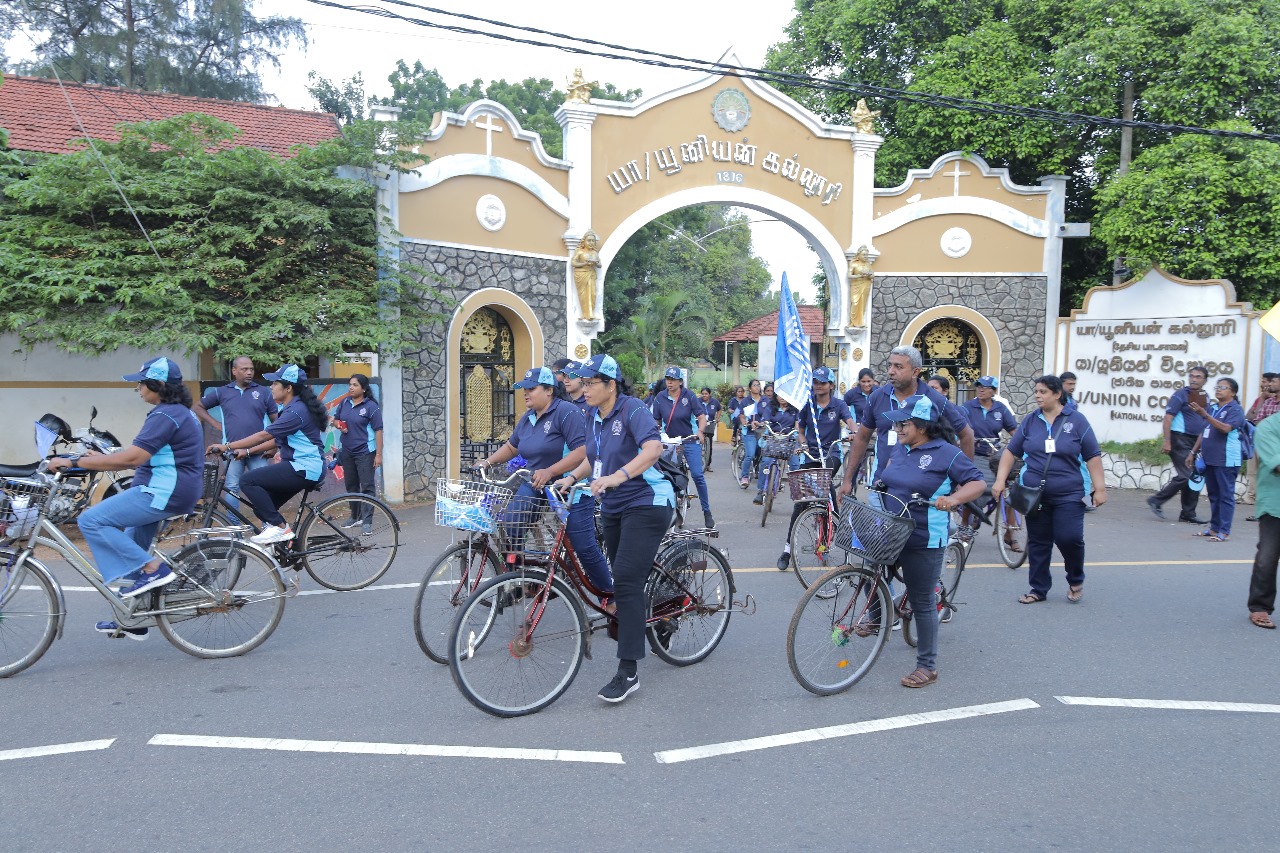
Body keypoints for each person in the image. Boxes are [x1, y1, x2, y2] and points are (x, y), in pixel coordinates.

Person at [48, 357, 203, 639]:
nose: (138, 389)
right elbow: (142, 455)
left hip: (164, 490)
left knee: (91, 520)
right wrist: (102, 457)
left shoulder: (165, 415)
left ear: (157, 385)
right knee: (131, 545)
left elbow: (133, 458)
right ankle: (133, 617)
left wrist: (74, 463)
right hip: (168, 487)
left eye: (142, 383)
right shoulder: (177, 412)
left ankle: (154, 569)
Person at [561, 354, 674, 703]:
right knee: (626, 576)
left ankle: (628, 670)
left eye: (591, 383)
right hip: (611, 505)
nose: (584, 388)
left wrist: (620, 475)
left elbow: (653, 448)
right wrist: (570, 477)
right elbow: (592, 459)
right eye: (583, 382)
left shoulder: (633, 409)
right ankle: (661, 618)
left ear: (611, 385)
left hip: (647, 501)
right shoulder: (591, 416)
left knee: (624, 579)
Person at [481, 366, 613, 604]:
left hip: (570, 485)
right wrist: (487, 462)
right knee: (512, 524)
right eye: (524, 389)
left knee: (583, 547)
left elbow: (583, 451)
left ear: (549, 390)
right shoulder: (529, 417)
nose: (525, 393)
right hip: (537, 482)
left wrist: (552, 471)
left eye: (531, 389)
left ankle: (611, 596)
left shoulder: (566, 412)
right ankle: (527, 578)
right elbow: (512, 447)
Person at [879, 398, 986, 686]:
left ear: (923, 426)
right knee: (869, 572)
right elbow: (890, 477)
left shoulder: (947, 453)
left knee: (922, 600)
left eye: (904, 423)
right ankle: (875, 618)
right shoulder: (901, 448)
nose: (898, 428)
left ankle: (927, 666)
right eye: (897, 423)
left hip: (924, 535)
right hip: (893, 528)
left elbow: (977, 482)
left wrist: (952, 499)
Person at [993, 374, 1107, 604]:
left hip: (1070, 493)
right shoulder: (1031, 421)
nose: (1037, 395)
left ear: (1057, 394)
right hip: (1035, 494)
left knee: (1070, 538)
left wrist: (1100, 488)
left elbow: (1092, 456)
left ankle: (1075, 579)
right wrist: (1000, 480)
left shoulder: (1077, 421)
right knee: (1038, 541)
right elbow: (1010, 452)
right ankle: (1038, 588)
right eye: (1036, 391)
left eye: (1043, 391)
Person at [207, 364, 327, 545]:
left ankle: (281, 529)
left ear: (288, 388)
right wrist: (246, 451)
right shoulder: (292, 408)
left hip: (305, 467)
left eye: (275, 383)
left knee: (248, 481)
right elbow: (275, 440)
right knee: (262, 508)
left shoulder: (296, 411)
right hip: (299, 466)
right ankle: (289, 546)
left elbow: (264, 435)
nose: (270, 387)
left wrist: (227, 446)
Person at [838, 345, 975, 503]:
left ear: (915, 372)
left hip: (923, 492)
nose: (891, 371)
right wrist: (847, 480)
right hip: (882, 487)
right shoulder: (877, 397)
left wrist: (962, 482)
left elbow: (966, 435)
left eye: (898, 366)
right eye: (889, 365)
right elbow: (862, 438)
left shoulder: (935, 399)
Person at [776, 367, 858, 570]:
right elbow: (800, 429)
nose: (818, 385)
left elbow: (849, 421)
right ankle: (787, 549)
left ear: (831, 384)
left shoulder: (838, 405)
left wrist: (854, 431)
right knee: (801, 503)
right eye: (815, 382)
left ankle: (837, 526)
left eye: (822, 382)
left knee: (825, 485)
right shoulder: (808, 404)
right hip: (811, 454)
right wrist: (802, 443)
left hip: (831, 454)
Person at [192, 356, 275, 512]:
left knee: (262, 487)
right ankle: (233, 528)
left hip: (258, 451)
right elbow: (198, 407)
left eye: (251, 369)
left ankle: (268, 525)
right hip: (231, 451)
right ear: (234, 371)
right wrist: (216, 424)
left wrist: (274, 447)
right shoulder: (222, 392)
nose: (249, 372)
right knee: (231, 487)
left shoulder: (264, 392)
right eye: (244, 369)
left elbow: (276, 421)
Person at [650, 366, 715, 529]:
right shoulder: (660, 398)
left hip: (689, 439)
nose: (670, 382)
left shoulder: (689, 396)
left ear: (680, 381)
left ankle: (707, 512)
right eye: (667, 379)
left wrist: (700, 432)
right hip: (670, 442)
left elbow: (701, 416)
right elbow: (656, 421)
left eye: (673, 380)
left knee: (697, 475)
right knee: (665, 475)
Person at [958, 375, 1018, 544]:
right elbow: (960, 428)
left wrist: (1023, 444)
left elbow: (1014, 431)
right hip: (975, 453)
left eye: (985, 387)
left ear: (993, 390)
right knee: (974, 487)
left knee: (1010, 490)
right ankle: (964, 525)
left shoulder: (1000, 409)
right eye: (979, 386)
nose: (981, 389)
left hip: (995, 454)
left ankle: (1010, 533)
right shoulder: (968, 407)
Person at [1148, 366, 1210, 524]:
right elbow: (1168, 418)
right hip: (1179, 439)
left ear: (1205, 380)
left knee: (1194, 477)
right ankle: (1156, 500)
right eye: (1192, 376)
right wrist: (1167, 440)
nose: (1194, 379)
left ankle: (1188, 513)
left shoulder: (1205, 396)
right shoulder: (1180, 394)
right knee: (1186, 475)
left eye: (1198, 377)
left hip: (1196, 441)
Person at [1187, 377, 1246, 543]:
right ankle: (1214, 527)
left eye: (1224, 387)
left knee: (1225, 496)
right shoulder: (1213, 408)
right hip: (1210, 459)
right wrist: (1193, 451)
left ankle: (1224, 531)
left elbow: (1225, 429)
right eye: (1217, 387)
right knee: (1213, 494)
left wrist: (1204, 415)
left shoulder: (1235, 410)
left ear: (1233, 392)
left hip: (1226, 460)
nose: (1219, 389)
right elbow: (1204, 431)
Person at [331, 373, 383, 535]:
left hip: (365, 452)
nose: (351, 388)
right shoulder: (345, 403)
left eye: (355, 385)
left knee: (367, 486)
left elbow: (378, 431)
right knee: (351, 486)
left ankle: (367, 521)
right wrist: (339, 425)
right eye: (350, 384)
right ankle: (355, 516)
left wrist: (378, 455)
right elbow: (335, 419)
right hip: (347, 452)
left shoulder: (371, 407)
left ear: (364, 388)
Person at [1246, 404, 1280, 628]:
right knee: (1268, 556)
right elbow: (1277, 464)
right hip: (1275, 504)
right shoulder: (1268, 427)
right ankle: (1259, 607)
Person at [1244, 373, 1279, 515]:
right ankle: (1256, 503)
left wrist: (1267, 424)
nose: (1269, 384)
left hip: (1276, 446)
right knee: (1254, 472)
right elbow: (1255, 419)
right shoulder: (1268, 402)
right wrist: (1263, 399)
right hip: (1260, 441)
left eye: (1273, 381)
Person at [754, 395, 799, 505]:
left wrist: (797, 431)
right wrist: (760, 424)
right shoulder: (770, 407)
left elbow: (798, 426)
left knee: (795, 466)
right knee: (765, 462)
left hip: (789, 441)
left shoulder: (795, 410)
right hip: (773, 439)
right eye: (780, 395)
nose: (782, 397)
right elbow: (764, 422)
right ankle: (761, 491)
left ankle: (797, 494)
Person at [737, 379, 770, 488]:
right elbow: (742, 416)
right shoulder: (746, 401)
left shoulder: (766, 400)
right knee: (750, 454)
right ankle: (745, 477)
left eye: (758, 385)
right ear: (750, 388)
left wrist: (764, 423)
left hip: (763, 431)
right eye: (755, 385)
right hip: (750, 431)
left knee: (762, 455)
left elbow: (770, 414)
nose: (757, 387)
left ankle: (762, 475)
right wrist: (745, 423)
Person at [698, 387, 722, 472]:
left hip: (710, 423)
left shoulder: (714, 402)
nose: (704, 395)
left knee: (709, 445)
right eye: (703, 394)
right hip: (700, 424)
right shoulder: (698, 401)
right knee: (697, 444)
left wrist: (717, 418)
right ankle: (697, 463)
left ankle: (708, 464)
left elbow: (719, 409)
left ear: (709, 394)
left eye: (706, 394)